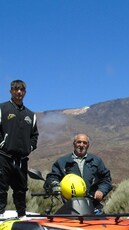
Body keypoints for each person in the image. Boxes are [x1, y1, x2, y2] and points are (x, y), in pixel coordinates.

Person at [0, 80, 39, 218]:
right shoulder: (2, 109)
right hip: (3, 156)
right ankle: (0, 215)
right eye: (16, 89)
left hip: (21, 159)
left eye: (21, 90)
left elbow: (35, 135)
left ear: (25, 92)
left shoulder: (30, 115)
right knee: (1, 187)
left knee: (21, 189)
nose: (19, 92)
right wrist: (2, 144)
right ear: (10, 91)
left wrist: (29, 147)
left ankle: (21, 215)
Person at [44, 133, 112, 213]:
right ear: (74, 144)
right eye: (78, 142)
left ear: (88, 145)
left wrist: (101, 191)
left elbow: (106, 179)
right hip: (68, 206)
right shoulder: (62, 161)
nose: (81, 145)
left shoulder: (96, 161)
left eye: (84, 142)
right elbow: (52, 177)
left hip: (92, 205)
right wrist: (54, 184)